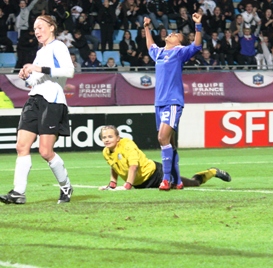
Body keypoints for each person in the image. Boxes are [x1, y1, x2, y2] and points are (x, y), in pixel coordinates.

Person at [0, 15, 74, 205]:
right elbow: (35, 81)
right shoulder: (40, 52)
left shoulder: (58, 46)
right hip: (34, 100)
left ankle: (66, 185)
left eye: (41, 27)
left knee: (45, 151)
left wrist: (38, 68)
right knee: (21, 146)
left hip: (53, 101)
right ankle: (18, 192)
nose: (37, 31)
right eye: (35, 28)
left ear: (51, 27)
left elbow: (69, 71)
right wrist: (26, 76)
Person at [144, 12, 203, 190]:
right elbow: (150, 46)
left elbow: (197, 46)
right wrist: (146, 28)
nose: (171, 34)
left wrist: (198, 26)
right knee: (169, 142)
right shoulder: (160, 53)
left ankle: (166, 179)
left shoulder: (179, 52)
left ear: (179, 42)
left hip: (172, 101)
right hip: (159, 103)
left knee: (162, 137)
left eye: (176, 34)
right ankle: (178, 181)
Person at [98, 125, 231, 191]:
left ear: (117, 138)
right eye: (104, 137)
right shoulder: (106, 152)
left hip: (155, 174)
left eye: (110, 137)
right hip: (140, 184)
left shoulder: (127, 145)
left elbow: (134, 166)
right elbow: (114, 166)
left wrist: (127, 185)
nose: (107, 140)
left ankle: (212, 172)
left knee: (191, 184)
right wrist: (113, 184)